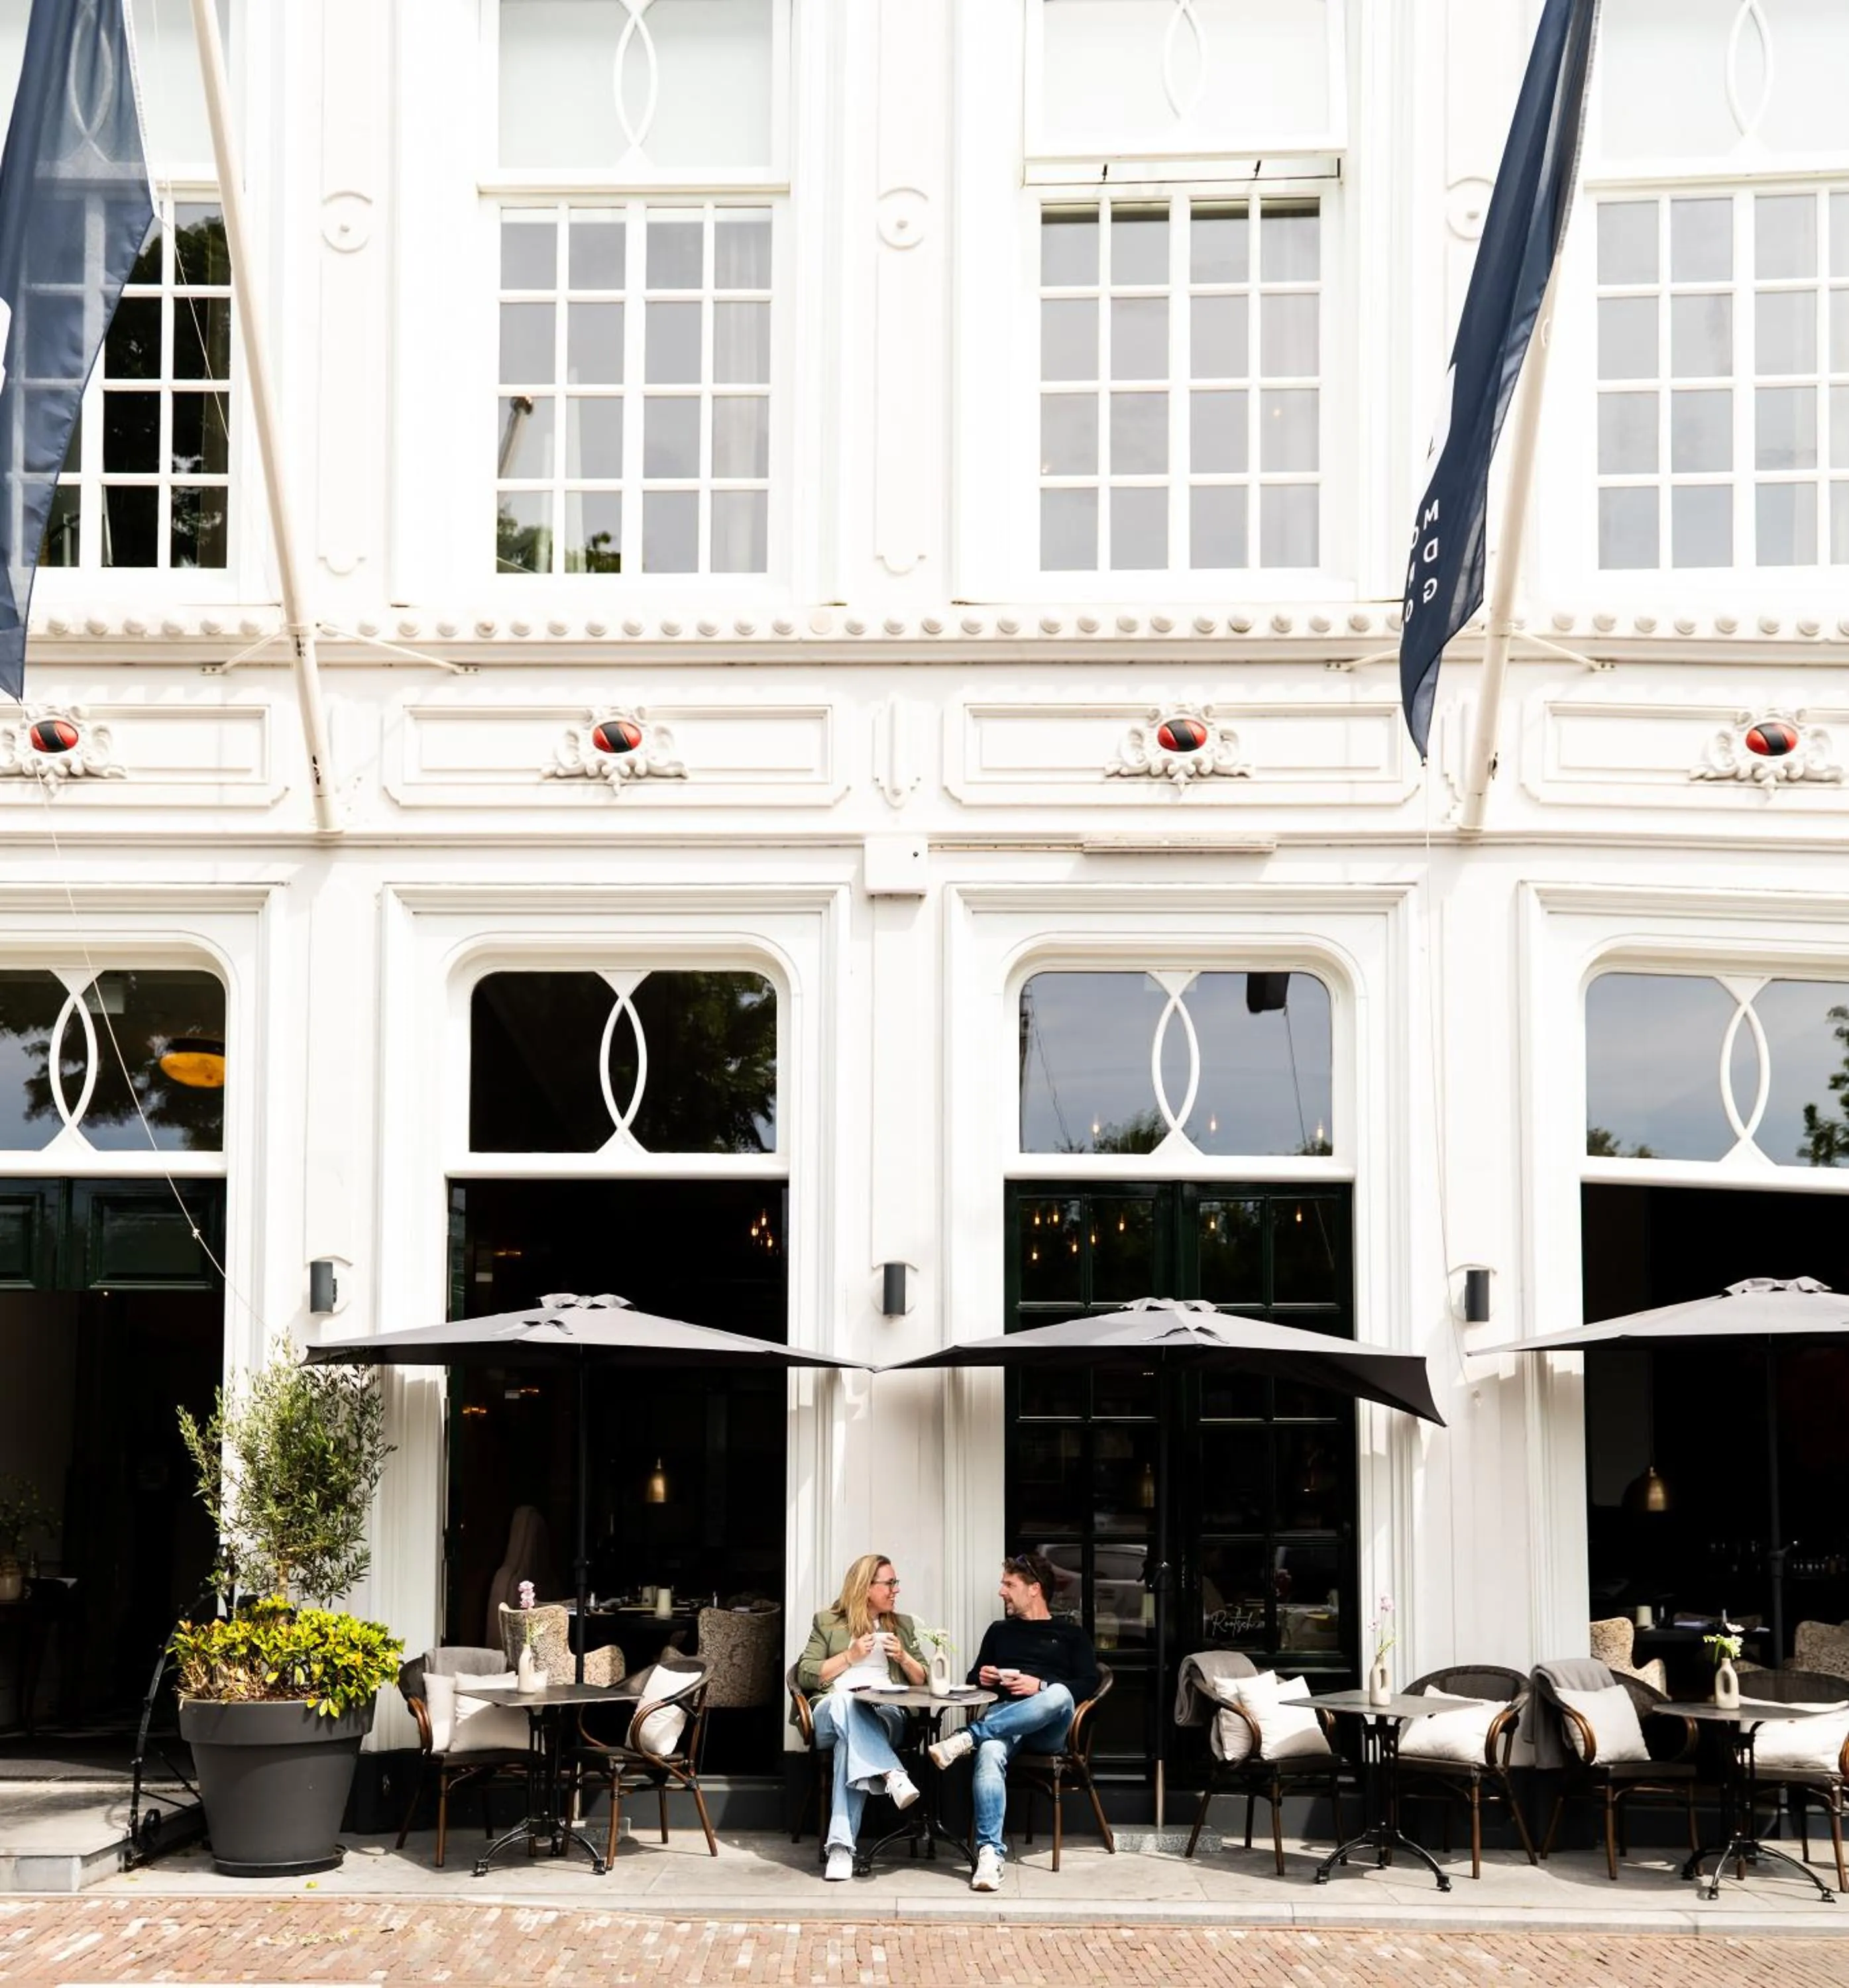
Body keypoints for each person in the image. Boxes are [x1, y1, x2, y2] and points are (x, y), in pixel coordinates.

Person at [928, 1551, 1099, 1891]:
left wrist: (1041, 1686)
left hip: (1048, 1730)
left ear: (1034, 1588)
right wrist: (986, 1676)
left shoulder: (1070, 1635)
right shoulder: (999, 1632)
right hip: (1005, 1722)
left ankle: (968, 1736)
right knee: (990, 1752)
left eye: (1009, 1584)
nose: (1001, 1591)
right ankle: (990, 1855)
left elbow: (1089, 1682)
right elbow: (974, 1675)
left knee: (1059, 1695)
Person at [795, 1553, 926, 1880]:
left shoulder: (902, 1625)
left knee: (847, 1747)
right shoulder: (827, 1622)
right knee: (845, 1703)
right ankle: (892, 1772)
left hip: (885, 1715)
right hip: (831, 1712)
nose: (896, 1589)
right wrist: (850, 1656)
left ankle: (840, 1849)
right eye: (890, 1583)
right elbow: (808, 1674)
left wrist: (905, 1658)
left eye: (896, 1583)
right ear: (866, 1587)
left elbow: (924, 1678)